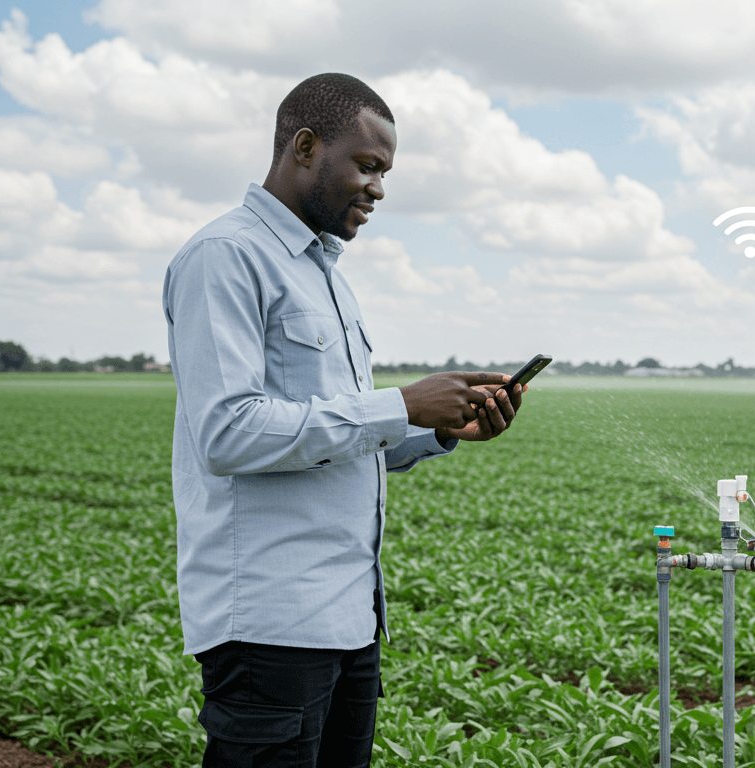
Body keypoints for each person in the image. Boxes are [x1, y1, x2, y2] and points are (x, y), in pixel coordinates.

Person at [162, 72, 525, 768]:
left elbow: (332, 436)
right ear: (304, 147)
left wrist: (441, 427)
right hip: (268, 627)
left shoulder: (325, 273)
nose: (379, 190)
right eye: (367, 166)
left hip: (347, 620)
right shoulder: (225, 257)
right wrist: (400, 404)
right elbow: (228, 432)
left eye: (385, 172)